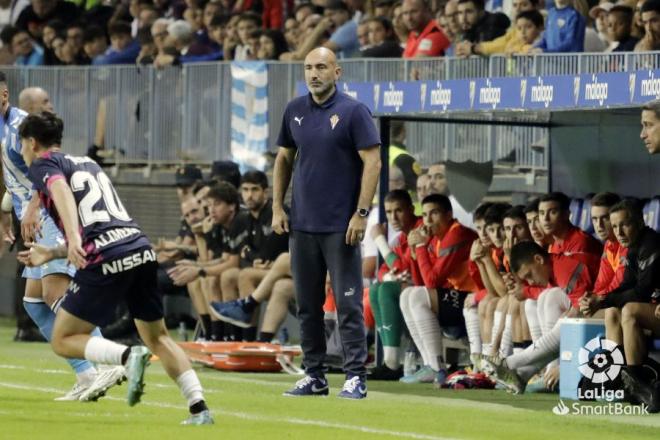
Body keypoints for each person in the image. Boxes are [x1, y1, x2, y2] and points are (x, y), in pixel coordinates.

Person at [17, 112, 212, 424]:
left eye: (23, 145)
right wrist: (53, 251)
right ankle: (199, 408)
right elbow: (102, 224)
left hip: (106, 257)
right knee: (159, 337)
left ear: (32, 142)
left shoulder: (44, 164)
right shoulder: (88, 163)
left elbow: (60, 191)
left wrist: (72, 235)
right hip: (139, 247)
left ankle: (125, 356)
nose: (23, 153)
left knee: (62, 339)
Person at [0, 77, 124, 402]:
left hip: (49, 216)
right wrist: (6, 210)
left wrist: (31, 208)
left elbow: (50, 171)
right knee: (35, 303)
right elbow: (15, 177)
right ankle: (86, 376)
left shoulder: (18, 128)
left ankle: (109, 359)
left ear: (3, 94)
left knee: (55, 293)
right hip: (38, 217)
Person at [272, 47, 381, 399]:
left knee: (348, 303)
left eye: (321, 67)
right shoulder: (294, 110)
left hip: (341, 226)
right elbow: (284, 158)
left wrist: (361, 213)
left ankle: (355, 377)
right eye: (308, 68)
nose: (313, 73)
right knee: (308, 305)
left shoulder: (353, 111)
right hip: (303, 225)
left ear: (338, 71)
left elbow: (374, 163)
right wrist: (277, 207)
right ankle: (314, 375)